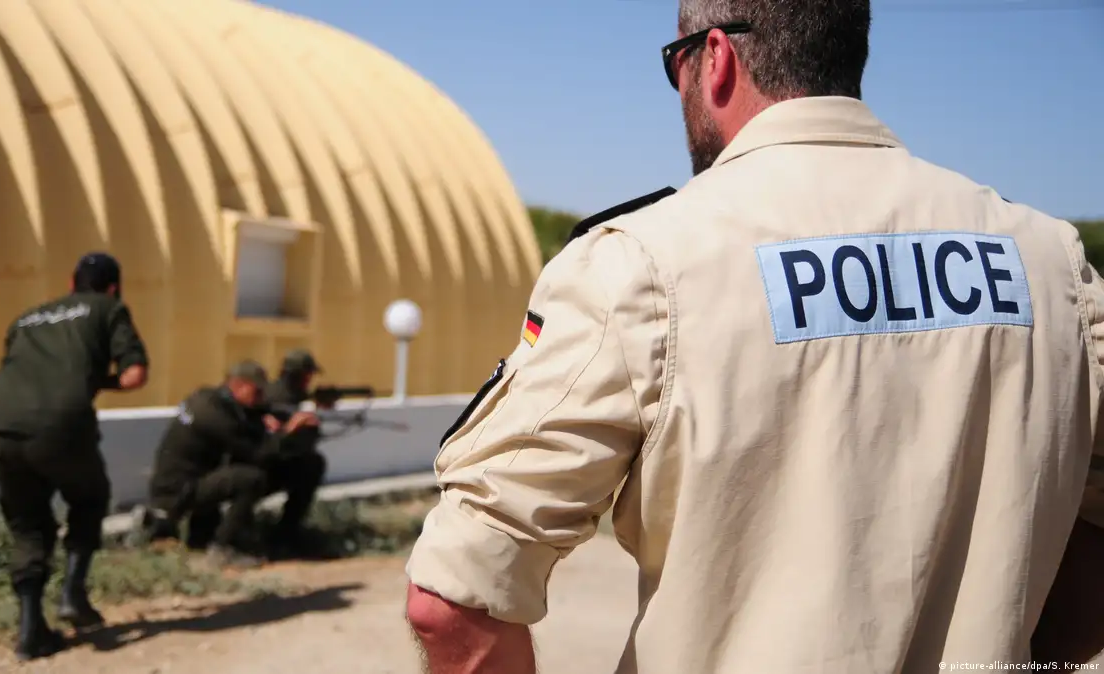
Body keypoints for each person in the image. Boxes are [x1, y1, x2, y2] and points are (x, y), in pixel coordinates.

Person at [403, 1, 1104, 672]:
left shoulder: (645, 264)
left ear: (714, 59)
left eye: (674, 64)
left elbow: (455, 598)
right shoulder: (1052, 264)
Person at [0, 252, 149, 661]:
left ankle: (30, 631)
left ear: (71, 283)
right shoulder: (108, 307)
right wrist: (97, 381)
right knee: (89, 497)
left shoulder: (26, 318)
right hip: (59, 425)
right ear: (112, 287)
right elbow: (134, 375)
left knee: (28, 524)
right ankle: (73, 593)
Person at [145, 360, 318, 566]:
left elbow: (251, 416)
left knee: (308, 464)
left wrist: (268, 416)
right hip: (177, 491)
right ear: (239, 385)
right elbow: (257, 453)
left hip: (192, 480)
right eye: (257, 392)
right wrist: (288, 430)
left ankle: (279, 536)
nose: (261, 398)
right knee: (251, 479)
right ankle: (224, 548)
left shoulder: (209, 399)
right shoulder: (212, 413)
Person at [257, 349, 330, 554]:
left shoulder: (290, 394)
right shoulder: (277, 396)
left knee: (312, 464)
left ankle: (287, 533)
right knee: (312, 466)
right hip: (264, 463)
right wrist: (295, 424)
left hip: (280, 460)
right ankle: (281, 535)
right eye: (308, 375)